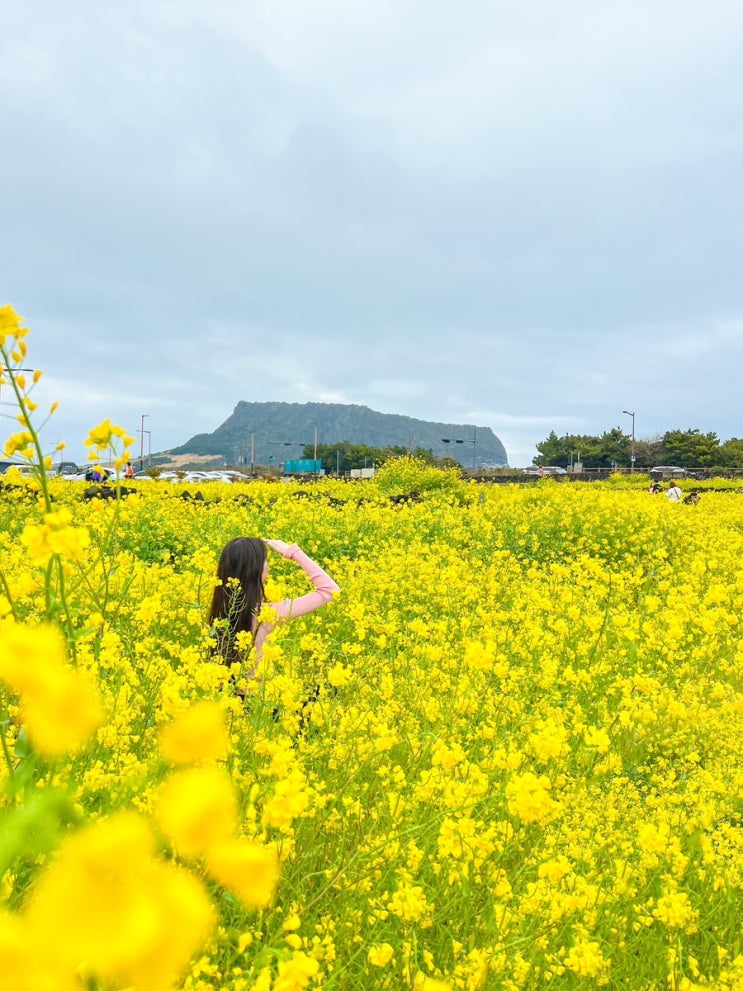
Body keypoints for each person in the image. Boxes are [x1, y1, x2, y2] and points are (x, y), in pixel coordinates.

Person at [208, 537, 340, 677]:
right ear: (254, 569)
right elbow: (330, 589)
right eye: (265, 560)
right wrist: (292, 552)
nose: (268, 565)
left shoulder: (218, 609)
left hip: (224, 695)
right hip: (258, 696)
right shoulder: (269, 613)